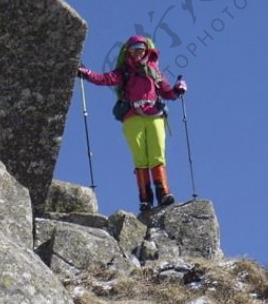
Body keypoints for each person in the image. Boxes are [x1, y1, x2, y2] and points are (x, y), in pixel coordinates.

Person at [78, 35, 188, 212]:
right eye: (134, 49)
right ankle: (146, 199)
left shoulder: (155, 73)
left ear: (147, 51)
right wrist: (87, 74)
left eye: (141, 49)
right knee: (141, 157)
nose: (138, 52)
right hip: (134, 117)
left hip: (153, 115)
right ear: (127, 51)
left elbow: (168, 93)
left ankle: (162, 194)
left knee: (156, 154)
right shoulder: (124, 72)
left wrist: (177, 89)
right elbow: (104, 79)